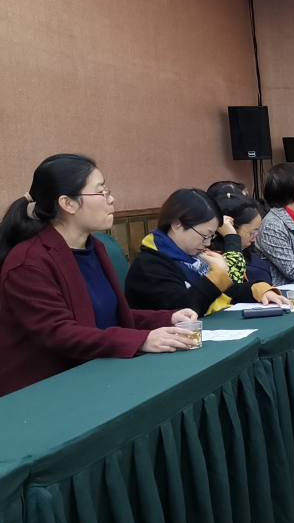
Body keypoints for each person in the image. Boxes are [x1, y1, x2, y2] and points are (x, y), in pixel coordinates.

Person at [0, 154, 197, 397]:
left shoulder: (94, 247)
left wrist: (168, 318)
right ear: (68, 203)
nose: (111, 199)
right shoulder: (29, 262)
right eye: (101, 191)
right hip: (42, 391)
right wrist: (142, 339)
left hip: (96, 376)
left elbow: (108, 316)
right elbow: (60, 333)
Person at [125, 189, 287, 316]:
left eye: (211, 236)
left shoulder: (193, 257)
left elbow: (228, 292)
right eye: (204, 235)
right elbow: (183, 310)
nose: (208, 243)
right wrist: (216, 276)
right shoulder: (149, 265)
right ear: (176, 224)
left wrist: (258, 289)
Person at [211, 189, 274, 286]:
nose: (254, 238)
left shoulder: (251, 256)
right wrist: (231, 236)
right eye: (252, 233)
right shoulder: (210, 258)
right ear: (230, 227)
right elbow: (233, 286)